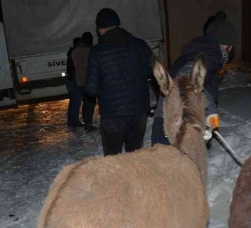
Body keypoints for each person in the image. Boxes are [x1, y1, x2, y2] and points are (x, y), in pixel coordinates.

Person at [151, 14, 237, 146]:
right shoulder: (208, 58)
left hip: (167, 122)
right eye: (231, 47)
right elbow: (185, 82)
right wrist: (211, 111)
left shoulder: (201, 53)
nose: (231, 52)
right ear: (226, 46)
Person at [85, 8, 154, 156]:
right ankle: (134, 179)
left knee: (112, 159)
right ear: (117, 24)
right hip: (138, 112)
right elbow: (152, 72)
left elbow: (91, 89)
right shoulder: (140, 45)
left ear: (100, 29)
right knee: (134, 157)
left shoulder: (97, 52)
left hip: (112, 115)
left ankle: (116, 180)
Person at [72, 32, 97, 132]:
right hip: (89, 81)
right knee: (90, 104)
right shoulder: (89, 51)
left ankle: (87, 123)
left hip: (80, 82)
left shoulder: (75, 51)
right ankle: (88, 124)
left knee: (85, 103)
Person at [66, 37, 84, 127]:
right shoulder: (74, 54)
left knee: (74, 102)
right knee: (75, 102)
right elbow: (73, 70)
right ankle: (74, 122)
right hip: (74, 82)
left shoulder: (71, 54)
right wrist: (78, 82)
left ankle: (72, 121)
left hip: (72, 81)